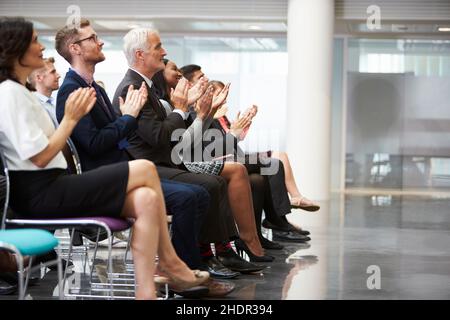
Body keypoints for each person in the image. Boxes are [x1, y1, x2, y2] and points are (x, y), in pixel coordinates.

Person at [0, 17, 209, 300]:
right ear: (17, 48)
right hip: (41, 194)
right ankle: (171, 263)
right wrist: (71, 120)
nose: (40, 46)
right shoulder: (9, 93)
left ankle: (146, 292)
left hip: (55, 185)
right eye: (35, 40)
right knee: (146, 169)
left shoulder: (19, 91)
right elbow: (40, 157)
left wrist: (118, 120)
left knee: (146, 199)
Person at [54, 19, 212, 275]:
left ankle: (175, 267)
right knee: (189, 197)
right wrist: (127, 118)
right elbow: (94, 144)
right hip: (104, 182)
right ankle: (184, 271)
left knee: (199, 194)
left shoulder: (93, 87)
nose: (100, 41)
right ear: (76, 48)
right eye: (92, 38)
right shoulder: (72, 90)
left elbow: (114, 136)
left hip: (122, 171)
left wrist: (125, 121)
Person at [112, 28, 269, 273]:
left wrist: (197, 112)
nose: (163, 52)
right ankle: (210, 254)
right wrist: (183, 109)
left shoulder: (147, 87)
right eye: (158, 48)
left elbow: (176, 139)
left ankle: (226, 249)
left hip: (170, 160)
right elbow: (162, 138)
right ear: (140, 55)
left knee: (236, 175)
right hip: (152, 167)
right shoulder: (131, 88)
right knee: (213, 182)